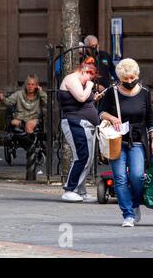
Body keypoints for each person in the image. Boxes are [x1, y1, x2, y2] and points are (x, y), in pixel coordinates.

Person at [98, 58, 153, 227]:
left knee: (137, 176)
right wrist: (111, 117)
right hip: (117, 140)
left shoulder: (144, 92)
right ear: (120, 78)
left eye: (133, 78)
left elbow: (150, 119)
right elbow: (100, 112)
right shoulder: (113, 92)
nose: (130, 82)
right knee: (119, 178)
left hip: (138, 139)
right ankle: (128, 214)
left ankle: (135, 202)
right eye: (126, 79)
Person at [58, 57, 101, 203]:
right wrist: (89, 86)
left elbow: (84, 101)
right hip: (75, 122)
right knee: (82, 156)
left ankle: (80, 191)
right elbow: (81, 98)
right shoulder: (71, 79)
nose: (90, 80)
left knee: (87, 158)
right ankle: (69, 190)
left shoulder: (80, 82)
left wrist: (95, 97)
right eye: (90, 76)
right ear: (84, 71)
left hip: (84, 123)